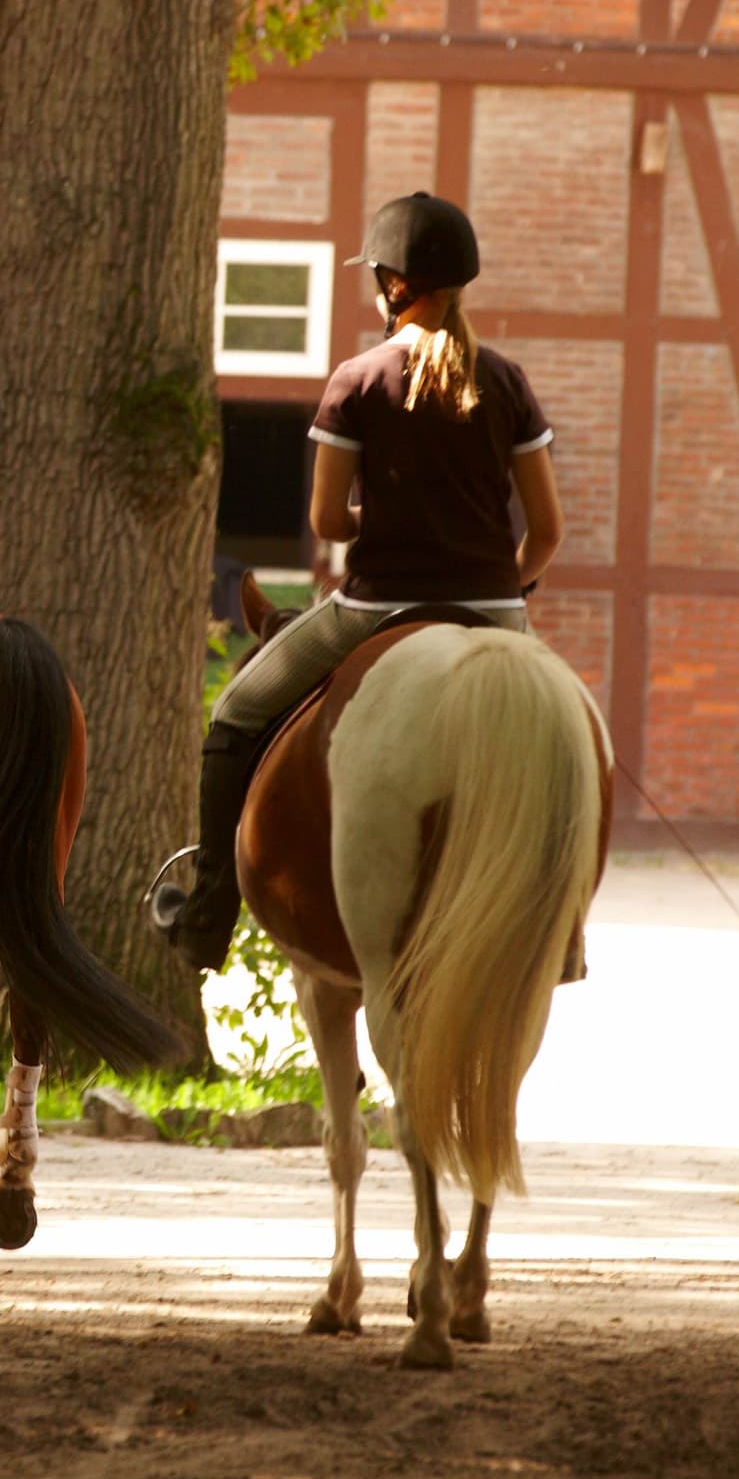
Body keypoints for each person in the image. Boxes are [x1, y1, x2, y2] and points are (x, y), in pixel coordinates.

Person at [153, 190, 563, 973]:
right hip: (493, 612)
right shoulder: (507, 381)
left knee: (237, 713)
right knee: (568, 746)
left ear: (396, 285)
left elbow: (327, 521)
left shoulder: (359, 378)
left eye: (378, 277)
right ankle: (563, 930)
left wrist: (381, 518)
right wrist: (502, 589)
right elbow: (546, 534)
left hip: (376, 608)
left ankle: (207, 911)